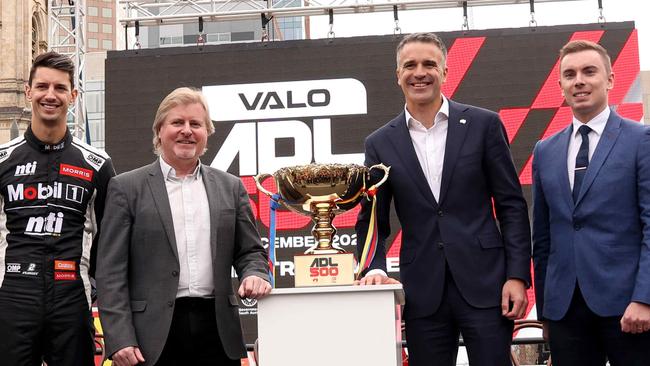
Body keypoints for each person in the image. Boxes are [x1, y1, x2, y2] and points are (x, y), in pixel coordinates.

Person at [355, 32, 531, 366]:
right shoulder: (379, 143)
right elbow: (371, 218)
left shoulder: (484, 125)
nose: (419, 72)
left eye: (428, 64)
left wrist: (517, 276)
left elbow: (511, 206)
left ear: (445, 72)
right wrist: (373, 268)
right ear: (397, 76)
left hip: (487, 285)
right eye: (410, 65)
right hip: (423, 292)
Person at [96, 87, 271, 366]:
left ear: (206, 133)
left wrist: (255, 272)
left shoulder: (231, 187)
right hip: (149, 340)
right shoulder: (126, 188)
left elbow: (250, 250)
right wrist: (119, 337)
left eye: (195, 124)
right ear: (159, 131)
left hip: (218, 333)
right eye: (177, 122)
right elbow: (110, 272)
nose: (187, 131)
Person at [532, 40, 650, 365]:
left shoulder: (641, 141)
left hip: (629, 307)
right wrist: (545, 310)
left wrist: (645, 298)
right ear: (561, 86)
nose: (579, 81)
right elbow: (542, 238)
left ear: (610, 80)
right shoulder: (545, 150)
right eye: (569, 75)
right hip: (564, 311)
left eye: (589, 71)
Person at [0, 51, 115, 365]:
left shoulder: (97, 164)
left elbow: (110, 243)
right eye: (42, 87)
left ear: (73, 96)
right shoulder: (3, 160)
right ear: (29, 91)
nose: (50, 95)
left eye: (60, 88)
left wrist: (97, 294)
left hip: (71, 296)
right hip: (12, 295)